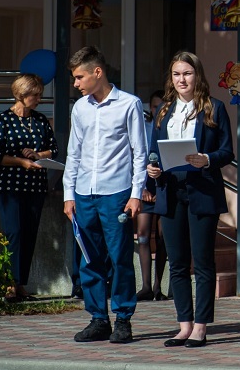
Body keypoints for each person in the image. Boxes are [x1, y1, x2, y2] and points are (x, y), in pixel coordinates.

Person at [146, 52, 233, 348]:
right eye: (176, 74)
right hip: (170, 191)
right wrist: (152, 169)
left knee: (203, 262)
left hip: (202, 191)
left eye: (187, 73)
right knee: (177, 262)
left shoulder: (214, 108)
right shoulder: (164, 110)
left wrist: (206, 159)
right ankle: (184, 325)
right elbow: (153, 151)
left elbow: (227, 151)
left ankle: (200, 326)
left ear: (198, 75)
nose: (181, 79)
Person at [63, 46, 148, 344]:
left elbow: (140, 152)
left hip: (116, 194)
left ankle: (123, 319)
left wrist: (136, 194)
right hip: (84, 193)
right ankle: (98, 319)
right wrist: (68, 194)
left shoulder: (129, 104)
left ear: (97, 72)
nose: (76, 83)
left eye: (79, 77)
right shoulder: (80, 108)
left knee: (120, 258)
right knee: (89, 259)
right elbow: (74, 153)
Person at [0, 73, 59, 302]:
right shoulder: (3, 121)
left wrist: (37, 155)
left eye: (40, 95)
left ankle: (21, 284)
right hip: (11, 187)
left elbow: (53, 149)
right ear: (22, 94)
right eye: (35, 95)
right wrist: (21, 161)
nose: (39, 99)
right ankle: (10, 283)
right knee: (14, 233)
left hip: (35, 187)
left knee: (29, 234)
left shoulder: (40, 120)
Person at [137, 89, 168, 302]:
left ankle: (158, 287)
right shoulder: (143, 127)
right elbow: (137, 157)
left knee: (163, 238)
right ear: (150, 107)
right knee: (143, 235)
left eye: (162, 107)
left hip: (164, 185)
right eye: (155, 107)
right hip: (144, 185)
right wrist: (141, 188)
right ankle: (146, 286)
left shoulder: (170, 126)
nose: (158, 111)